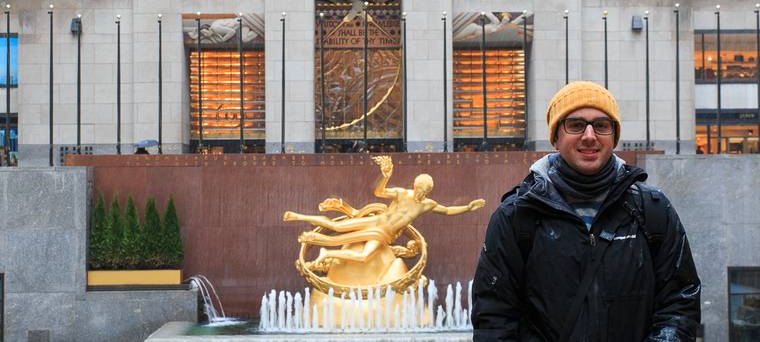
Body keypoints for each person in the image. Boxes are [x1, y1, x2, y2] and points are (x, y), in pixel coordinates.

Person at [472, 81, 701, 342]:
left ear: (613, 137)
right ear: (556, 138)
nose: (589, 136)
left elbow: (680, 303)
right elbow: (494, 319)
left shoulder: (652, 211)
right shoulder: (515, 216)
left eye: (601, 125)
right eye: (576, 125)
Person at [284, 155, 485, 272]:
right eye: (418, 189)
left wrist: (468, 207)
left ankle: (327, 252)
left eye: (423, 191)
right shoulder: (401, 193)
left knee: (363, 256)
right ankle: (298, 216)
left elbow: (448, 210)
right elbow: (379, 192)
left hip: (384, 235)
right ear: (415, 186)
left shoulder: (427, 204)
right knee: (336, 226)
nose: (419, 193)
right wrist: (385, 176)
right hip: (377, 221)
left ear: (428, 191)